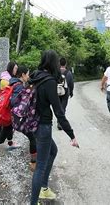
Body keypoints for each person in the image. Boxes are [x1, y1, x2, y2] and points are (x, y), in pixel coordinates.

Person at [29, 50, 79, 204]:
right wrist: (72, 135)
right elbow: (59, 112)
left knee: (53, 151)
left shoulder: (35, 76)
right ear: (53, 63)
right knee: (40, 166)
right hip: (43, 126)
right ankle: (34, 201)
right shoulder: (49, 81)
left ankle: (43, 187)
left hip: (33, 123)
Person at [57, 57, 74, 130]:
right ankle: (60, 123)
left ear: (59, 63)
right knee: (63, 107)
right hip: (65, 93)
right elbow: (71, 84)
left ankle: (59, 121)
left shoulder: (56, 72)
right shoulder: (68, 73)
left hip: (57, 92)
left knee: (58, 107)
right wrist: (71, 92)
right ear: (65, 64)